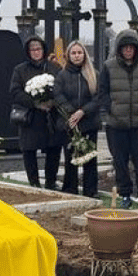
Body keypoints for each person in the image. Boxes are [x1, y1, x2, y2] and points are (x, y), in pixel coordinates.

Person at [99, 29, 138, 209]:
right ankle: (125, 194)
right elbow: (103, 92)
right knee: (120, 161)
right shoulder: (108, 67)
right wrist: (111, 108)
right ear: (120, 49)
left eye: (132, 48)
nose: (128, 51)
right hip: (116, 124)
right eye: (125, 48)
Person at [9, 34, 64, 189]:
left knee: (54, 149)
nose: (35, 52)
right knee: (29, 150)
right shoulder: (20, 70)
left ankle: (51, 182)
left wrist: (51, 101)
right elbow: (15, 92)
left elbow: (61, 87)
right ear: (28, 52)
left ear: (43, 50)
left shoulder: (54, 68)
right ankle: (34, 183)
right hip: (31, 117)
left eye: (38, 48)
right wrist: (34, 103)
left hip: (50, 117)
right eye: (32, 49)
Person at [55, 39, 101, 198]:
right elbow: (58, 96)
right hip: (70, 124)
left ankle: (91, 191)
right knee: (70, 159)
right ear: (68, 55)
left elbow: (98, 98)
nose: (76, 56)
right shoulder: (62, 75)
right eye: (73, 53)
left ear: (84, 55)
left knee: (90, 159)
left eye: (79, 52)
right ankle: (70, 189)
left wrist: (83, 112)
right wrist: (71, 113)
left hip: (89, 122)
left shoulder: (94, 74)